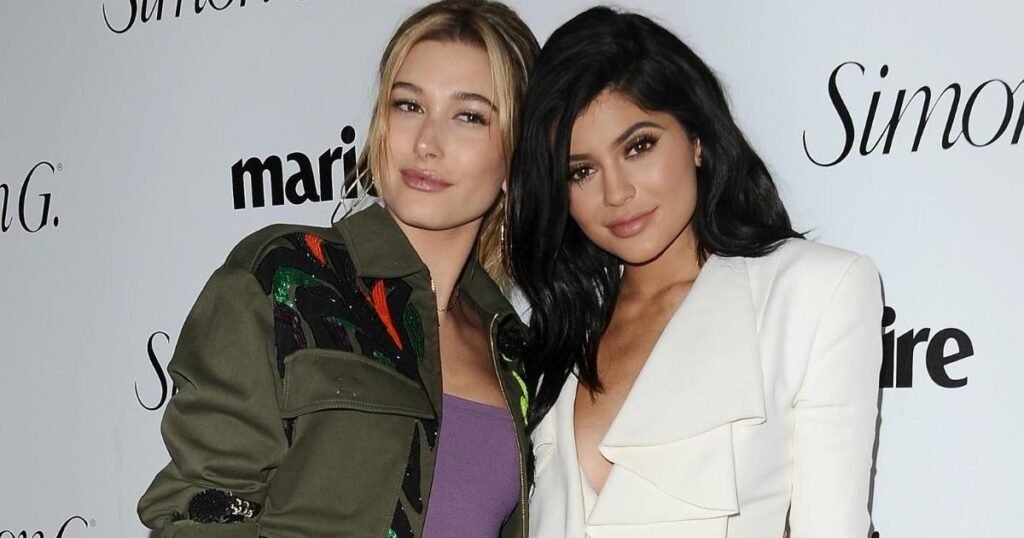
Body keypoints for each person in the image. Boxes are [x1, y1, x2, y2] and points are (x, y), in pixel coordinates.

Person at [138, 2, 538, 536]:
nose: (426, 143)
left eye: (469, 116)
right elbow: (196, 513)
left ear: (516, 157)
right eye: (408, 105)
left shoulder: (513, 351)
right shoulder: (287, 278)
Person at [507, 7, 882, 538]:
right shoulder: (558, 331)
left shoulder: (812, 292)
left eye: (638, 146)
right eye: (582, 171)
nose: (617, 192)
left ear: (697, 138)